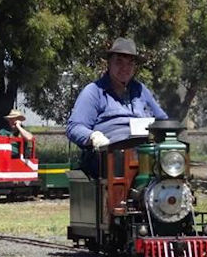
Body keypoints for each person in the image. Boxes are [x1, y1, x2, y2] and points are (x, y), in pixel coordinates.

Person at [66, 37, 168, 175]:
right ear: (109, 63)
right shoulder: (94, 91)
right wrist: (93, 137)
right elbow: (74, 127)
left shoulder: (141, 90)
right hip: (111, 160)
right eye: (119, 62)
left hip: (147, 154)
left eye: (130, 63)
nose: (125, 68)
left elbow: (163, 120)